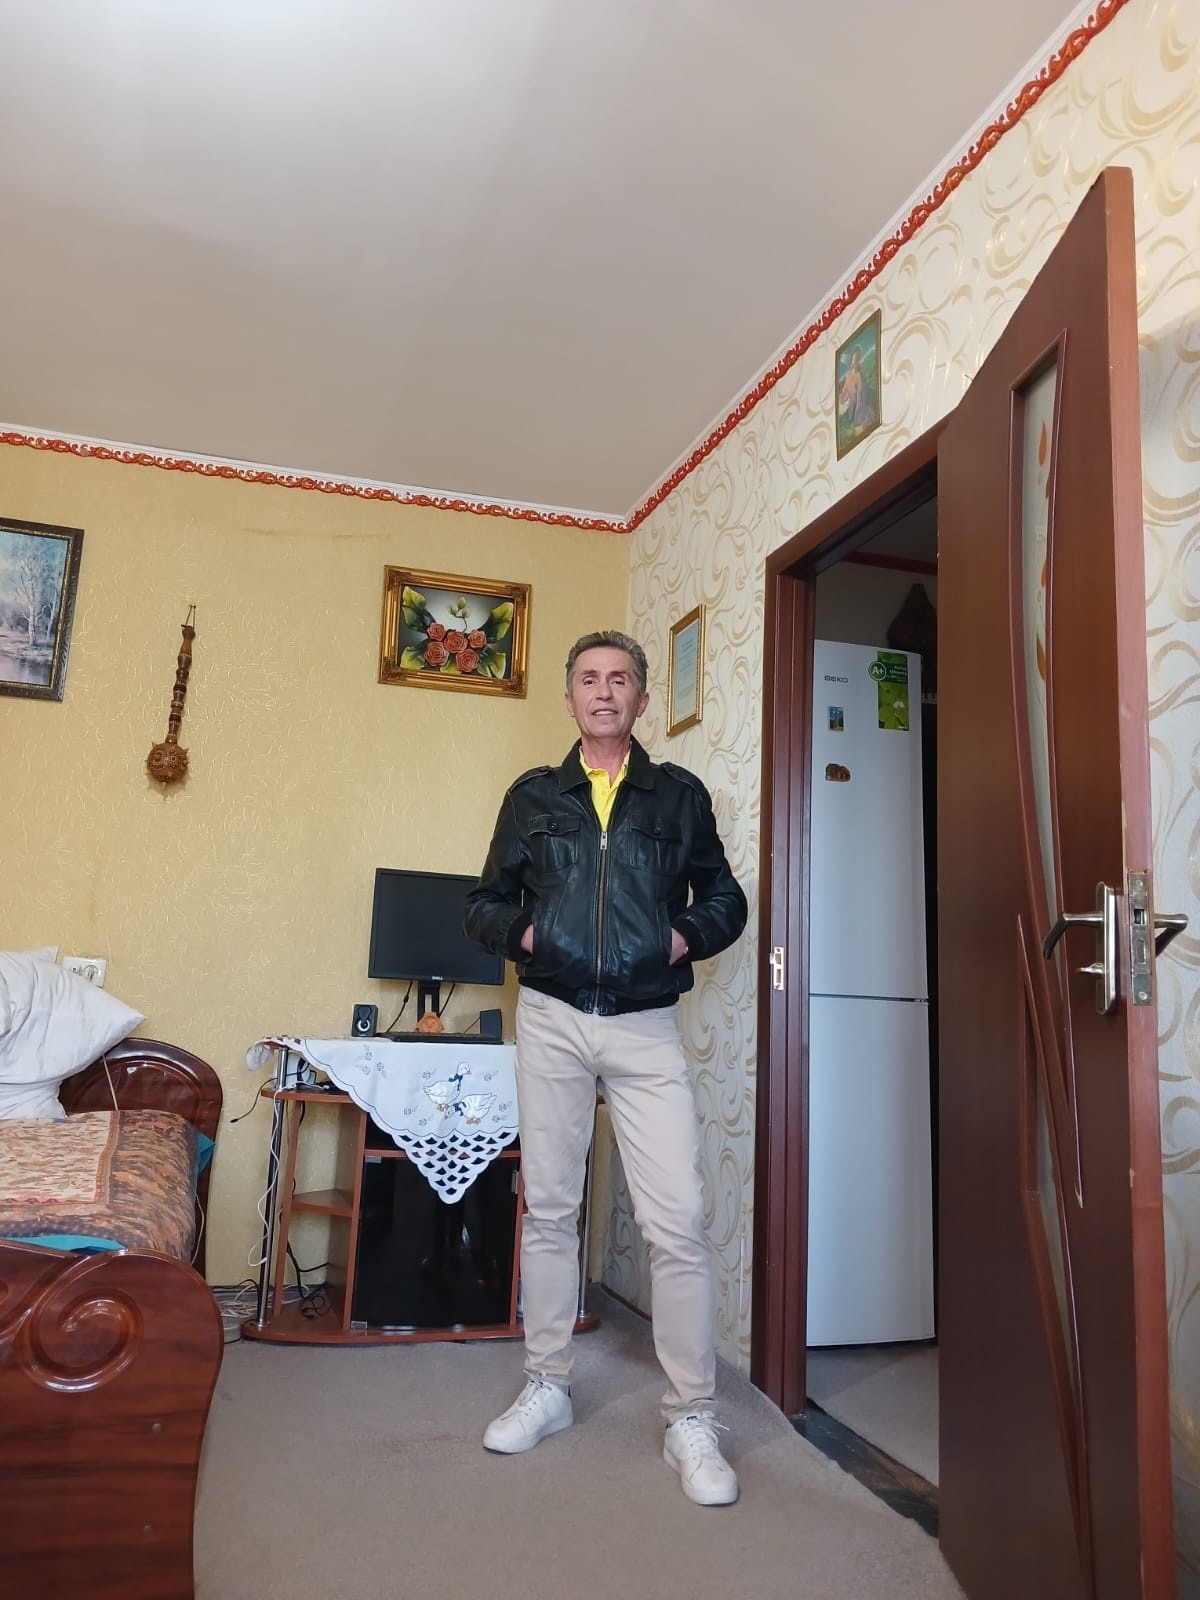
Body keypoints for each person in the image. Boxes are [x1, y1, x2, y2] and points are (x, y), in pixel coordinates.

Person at [464, 629, 748, 1506]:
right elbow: (483, 902)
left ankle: (692, 1416)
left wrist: (679, 937)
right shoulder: (533, 796)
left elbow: (725, 898)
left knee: (678, 1221)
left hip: (645, 1024)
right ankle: (547, 1384)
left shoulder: (678, 796)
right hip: (552, 1018)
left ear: (641, 698)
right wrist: (528, 934)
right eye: (589, 678)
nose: (604, 691)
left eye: (620, 678)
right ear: (570, 698)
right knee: (551, 1210)